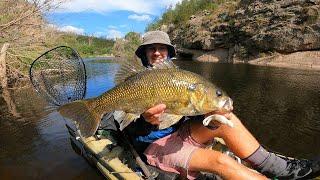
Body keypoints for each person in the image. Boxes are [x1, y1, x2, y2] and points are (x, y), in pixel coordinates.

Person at [104, 30, 320, 179]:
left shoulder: (182, 79)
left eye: (162, 48)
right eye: (152, 49)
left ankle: (283, 169)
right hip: (153, 147)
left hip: (181, 134)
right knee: (220, 161)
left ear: (169, 53)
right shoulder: (133, 84)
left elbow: (186, 113)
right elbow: (128, 131)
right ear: (144, 54)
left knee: (226, 119)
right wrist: (145, 121)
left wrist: (212, 114)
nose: (158, 52)